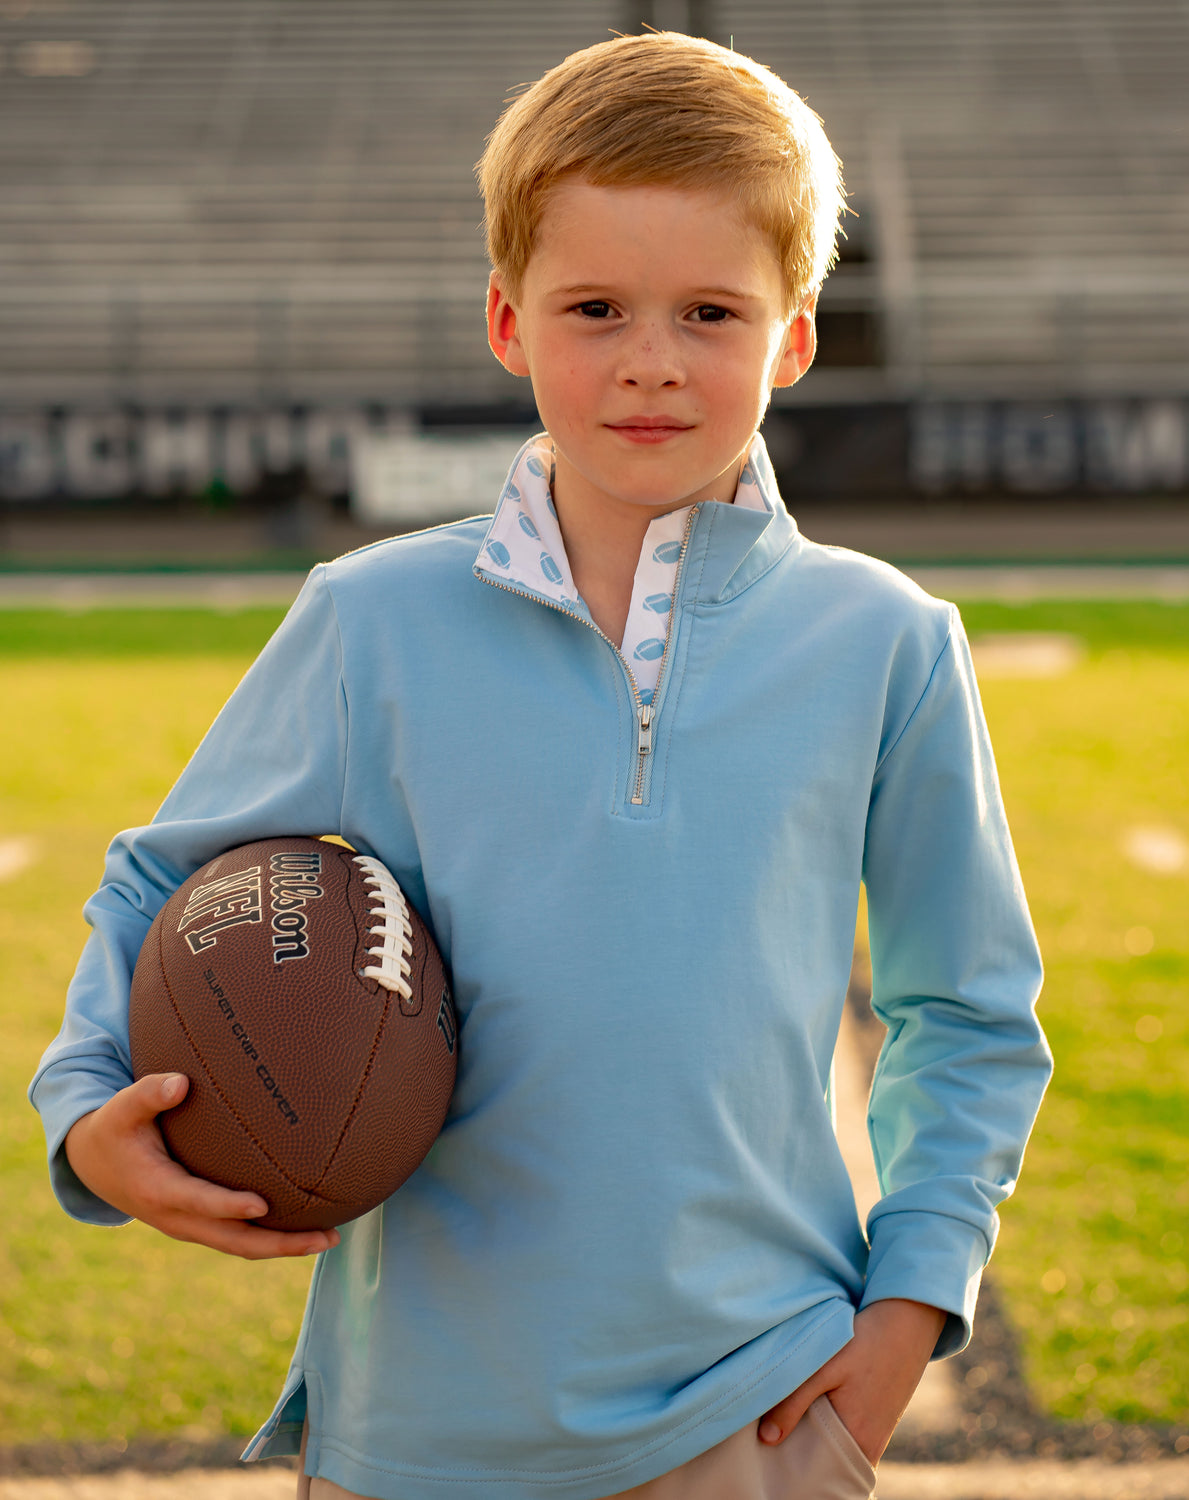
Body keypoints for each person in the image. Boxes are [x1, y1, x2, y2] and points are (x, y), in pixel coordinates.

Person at [29, 31, 1052, 1500]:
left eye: (712, 310)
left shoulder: (883, 641)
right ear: (508, 323)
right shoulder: (370, 619)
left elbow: (968, 1010)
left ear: (798, 335)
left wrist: (905, 1318)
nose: (650, 357)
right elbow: (160, 880)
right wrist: (88, 1108)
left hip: (756, 1411)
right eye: (595, 308)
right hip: (421, 1427)